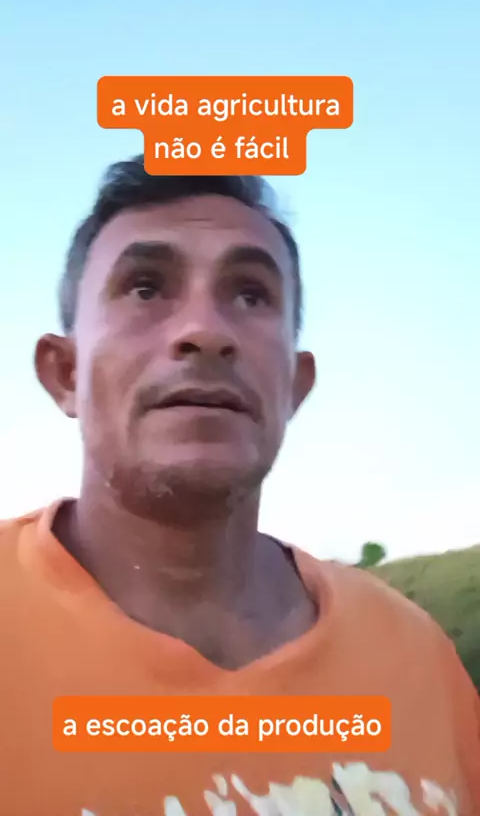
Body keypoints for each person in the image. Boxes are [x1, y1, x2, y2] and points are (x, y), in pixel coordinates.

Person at [0, 156, 478, 816]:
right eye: (145, 287)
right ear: (64, 373)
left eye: (251, 295)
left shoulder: (418, 659)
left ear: (295, 386)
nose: (205, 332)